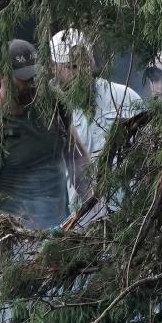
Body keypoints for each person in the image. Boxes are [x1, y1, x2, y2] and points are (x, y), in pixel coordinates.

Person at [0, 39, 77, 273]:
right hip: (13, 244)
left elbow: (77, 156)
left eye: (34, 76)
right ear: (1, 75)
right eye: (24, 78)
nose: (32, 84)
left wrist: (92, 210)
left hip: (61, 231)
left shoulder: (51, 102)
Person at [48, 29, 144, 215]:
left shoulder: (122, 97)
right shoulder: (49, 112)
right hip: (83, 220)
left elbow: (151, 149)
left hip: (130, 214)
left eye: (85, 63)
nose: (81, 72)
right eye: (72, 66)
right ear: (53, 67)